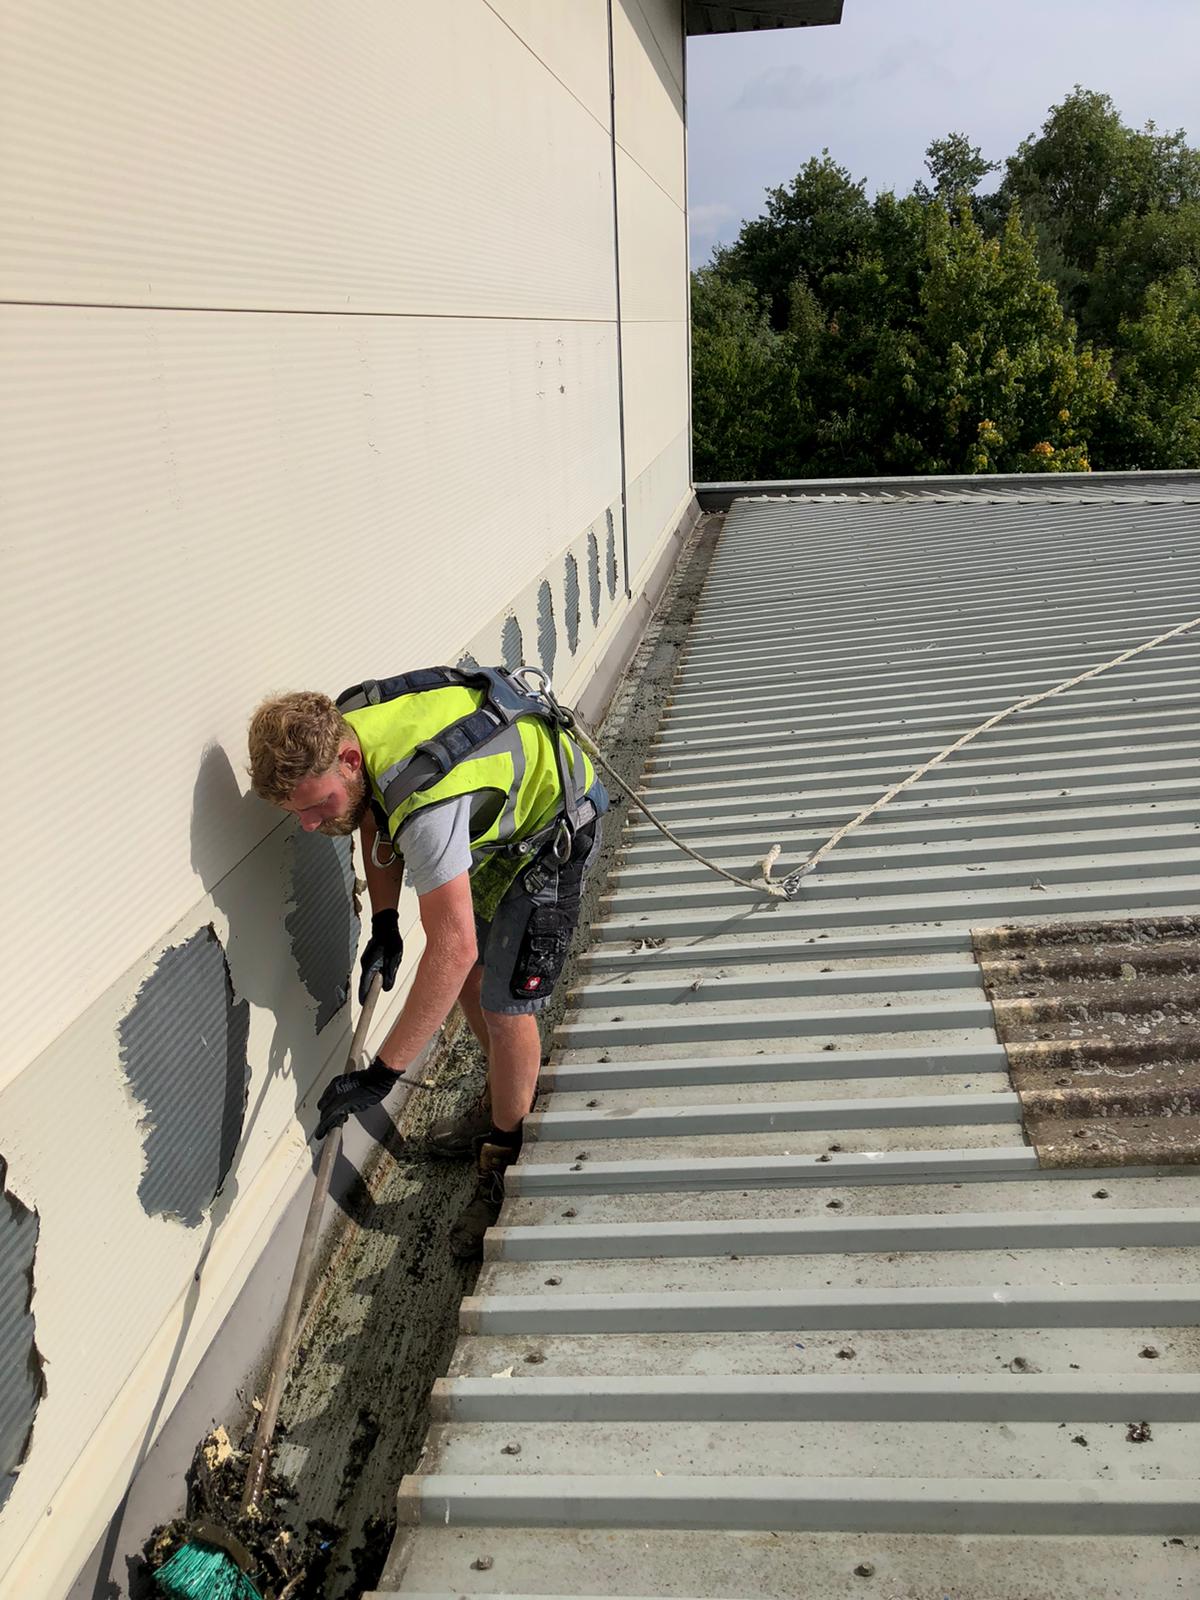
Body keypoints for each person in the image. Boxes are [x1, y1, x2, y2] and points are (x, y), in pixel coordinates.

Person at [247, 668, 606, 1258]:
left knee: (505, 1002)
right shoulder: (351, 728)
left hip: (551, 828)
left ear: (347, 760)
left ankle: (505, 1159)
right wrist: (385, 920)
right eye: (298, 815)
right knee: (470, 976)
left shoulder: (426, 804)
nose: (310, 825)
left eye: (315, 807)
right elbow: (369, 816)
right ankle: (502, 1098)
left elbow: (452, 944)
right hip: (496, 819)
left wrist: (382, 1073)